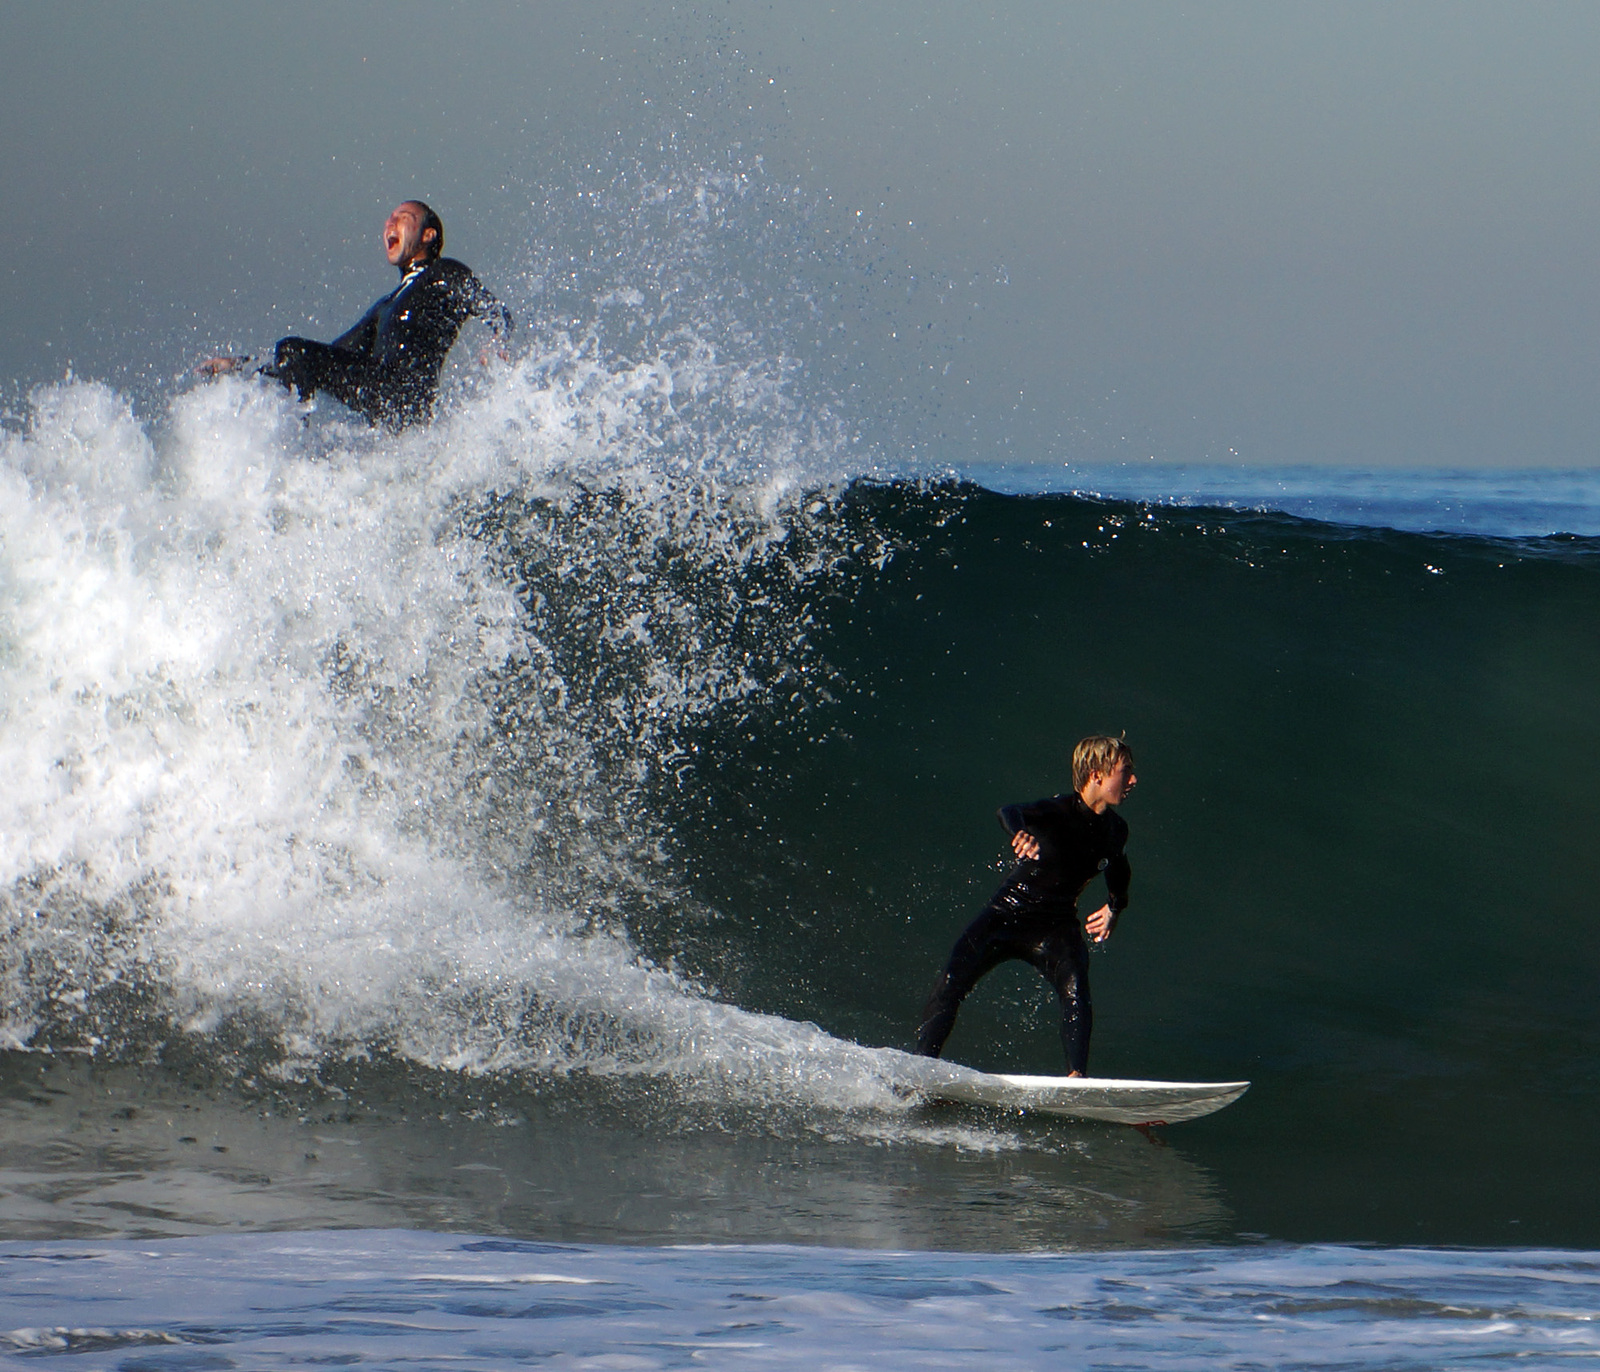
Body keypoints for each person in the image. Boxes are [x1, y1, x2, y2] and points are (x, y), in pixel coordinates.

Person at [914, 734, 1137, 1077]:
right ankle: (921, 1067)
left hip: (1056, 926)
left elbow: (1118, 869)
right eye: (1126, 771)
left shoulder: (1115, 830)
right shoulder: (1056, 809)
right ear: (1097, 775)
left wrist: (1114, 908)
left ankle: (1076, 1076)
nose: (1133, 780)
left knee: (1076, 988)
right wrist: (1019, 832)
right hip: (1006, 914)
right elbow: (1010, 810)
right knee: (950, 981)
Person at [198, 201, 511, 428]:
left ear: (428, 235)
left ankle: (299, 446)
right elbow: (333, 355)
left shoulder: (443, 272)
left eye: (403, 217)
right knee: (293, 355)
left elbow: (493, 308)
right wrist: (245, 368)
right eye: (389, 219)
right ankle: (295, 451)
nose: (391, 223)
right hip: (386, 399)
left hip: (403, 396)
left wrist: (498, 339)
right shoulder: (386, 306)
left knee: (293, 350)